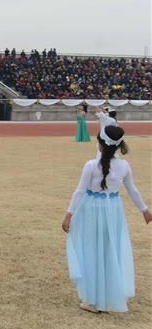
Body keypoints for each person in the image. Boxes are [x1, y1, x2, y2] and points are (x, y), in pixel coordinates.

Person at [62, 125, 151, 313]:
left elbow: (79, 191)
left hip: (91, 210)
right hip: (113, 210)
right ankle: (108, 295)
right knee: (110, 250)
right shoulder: (124, 166)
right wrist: (144, 210)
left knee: (91, 250)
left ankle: (93, 299)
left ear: (100, 144)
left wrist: (69, 213)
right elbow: (132, 190)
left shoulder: (90, 165)